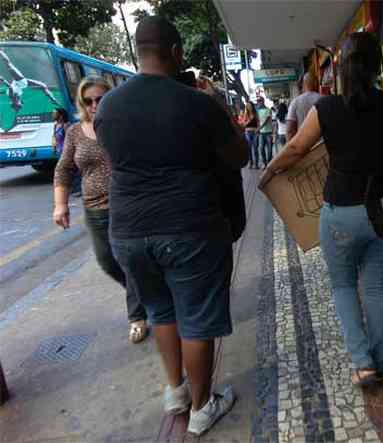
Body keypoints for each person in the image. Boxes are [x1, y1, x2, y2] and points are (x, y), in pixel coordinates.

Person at [94, 16, 248, 436]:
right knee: (197, 318)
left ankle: (175, 390)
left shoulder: (107, 106)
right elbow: (238, 157)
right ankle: (202, 407)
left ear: (137, 53)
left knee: (162, 311)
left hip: (127, 231)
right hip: (189, 228)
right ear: (177, 53)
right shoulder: (196, 103)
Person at [260, 32, 383, 387]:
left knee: (343, 286)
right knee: (374, 284)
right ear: (378, 67)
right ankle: (380, 360)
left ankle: (363, 363)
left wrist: (268, 170)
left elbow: (296, 149)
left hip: (342, 213)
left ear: (340, 69)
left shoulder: (325, 109)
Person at [52, 76, 148, 344]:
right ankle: (144, 293)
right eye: (88, 100)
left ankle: (137, 316)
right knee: (108, 261)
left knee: (129, 262)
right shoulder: (74, 132)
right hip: (95, 210)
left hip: (128, 205)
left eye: (101, 99)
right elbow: (64, 169)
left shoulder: (124, 125)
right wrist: (60, 205)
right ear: (82, 103)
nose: (95, 105)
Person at [286, 72, 321, 140]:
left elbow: (289, 130)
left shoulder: (295, 102)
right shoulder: (324, 99)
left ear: (303, 84)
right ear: (316, 83)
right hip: (322, 146)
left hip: (304, 146)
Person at [256, 97, 274, 168]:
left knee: (269, 149)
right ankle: (264, 163)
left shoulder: (268, 110)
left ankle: (269, 163)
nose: (258, 103)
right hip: (261, 133)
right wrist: (258, 128)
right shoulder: (258, 111)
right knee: (261, 148)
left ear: (263, 101)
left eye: (259, 101)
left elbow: (267, 120)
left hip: (268, 132)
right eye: (257, 101)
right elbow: (258, 121)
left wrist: (259, 128)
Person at [243, 101, 259, 168]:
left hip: (255, 132)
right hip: (248, 132)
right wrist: (249, 120)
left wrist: (258, 129)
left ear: (252, 106)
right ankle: (251, 163)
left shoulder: (256, 114)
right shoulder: (246, 114)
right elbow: (244, 124)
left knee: (255, 148)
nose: (249, 107)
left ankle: (256, 164)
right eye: (247, 106)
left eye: (250, 106)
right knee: (249, 149)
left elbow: (258, 122)